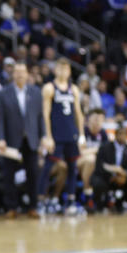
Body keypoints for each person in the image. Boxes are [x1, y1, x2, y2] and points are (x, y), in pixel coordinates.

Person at [0, 62, 43, 219]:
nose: (20, 74)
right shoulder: (3, 93)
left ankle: (33, 206)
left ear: (28, 74)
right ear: (13, 74)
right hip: (10, 141)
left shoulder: (36, 92)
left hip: (31, 140)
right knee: (9, 175)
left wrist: (44, 137)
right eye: (17, 72)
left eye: (23, 71)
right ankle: (11, 207)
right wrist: (0, 138)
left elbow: (40, 118)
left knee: (33, 174)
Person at [42, 58, 84, 214]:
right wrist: (48, 136)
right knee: (48, 167)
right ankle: (42, 199)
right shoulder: (49, 88)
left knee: (72, 168)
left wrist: (82, 135)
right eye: (60, 68)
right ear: (55, 70)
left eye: (66, 69)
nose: (63, 71)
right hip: (56, 135)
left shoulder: (74, 89)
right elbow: (45, 114)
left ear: (69, 71)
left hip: (71, 134)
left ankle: (71, 200)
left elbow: (78, 114)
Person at [89, 123, 127, 212]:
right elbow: (99, 166)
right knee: (97, 182)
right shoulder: (105, 147)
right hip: (106, 176)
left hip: (120, 177)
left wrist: (125, 175)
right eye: (120, 133)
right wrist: (112, 176)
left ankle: (121, 203)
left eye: (125, 134)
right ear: (115, 135)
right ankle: (99, 204)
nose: (123, 136)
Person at [78, 108, 109, 210]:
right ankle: (87, 194)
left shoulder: (103, 134)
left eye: (100, 120)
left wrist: (94, 151)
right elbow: (80, 152)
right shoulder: (83, 132)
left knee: (95, 160)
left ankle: (100, 198)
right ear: (88, 120)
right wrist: (96, 149)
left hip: (96, 165)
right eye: (95, 119)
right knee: (90, 159)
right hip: (78, 161)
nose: (97, 122)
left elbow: (106, 152)